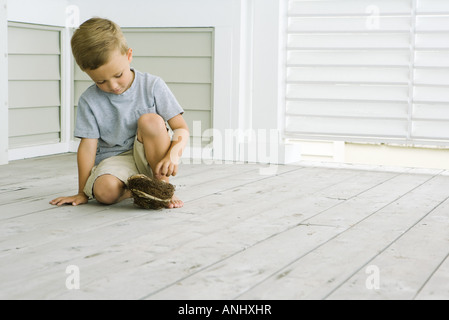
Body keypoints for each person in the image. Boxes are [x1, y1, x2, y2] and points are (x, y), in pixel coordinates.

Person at [50, 18, 189, 209]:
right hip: (114, 161)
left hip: (151, 158)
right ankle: (139, 191)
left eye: (118, 75)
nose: (113, 86)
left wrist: (172, 156)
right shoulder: (89, 100)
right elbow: (88, 147)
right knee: (103, 192)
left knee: (151, 120)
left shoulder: (152, 85)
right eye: (101, 81)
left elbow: (181, 128)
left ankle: (160, 187)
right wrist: (82, 192)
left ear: (129, 55)